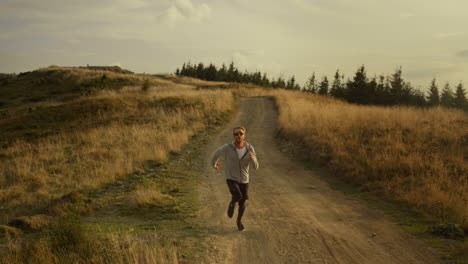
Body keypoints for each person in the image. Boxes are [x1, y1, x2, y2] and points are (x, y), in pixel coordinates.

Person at [211, 126, 259, 231]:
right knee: (238, 195)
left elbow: (256, 167)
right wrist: (214, 164)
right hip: (231, 177)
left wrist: (253, 159)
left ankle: (239, 221)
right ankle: (232, 204)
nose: (238, 135)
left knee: (242, 202)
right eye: (236, 134)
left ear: (244, 135)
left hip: (244, 179)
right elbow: (216, 154)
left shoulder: (249, 148)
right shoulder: (228, 147)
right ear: (233, 136)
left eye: (241, 133)